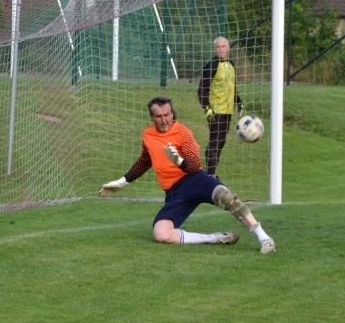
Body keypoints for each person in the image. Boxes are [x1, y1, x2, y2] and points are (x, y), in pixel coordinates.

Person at [99, 96, 275, 254]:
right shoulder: (148, 135)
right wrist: (122, 182)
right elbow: (145, 160)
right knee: (161, 233)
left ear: (172, 113)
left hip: (195, 180)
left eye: (167, 114)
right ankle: (214, 238)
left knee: (226, 196)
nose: (164, 120)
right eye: (159, 116)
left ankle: (264, 238)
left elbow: (195, 165)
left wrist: (179, 161)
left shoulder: (182, 132)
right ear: (152, 118)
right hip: (174, 192)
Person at [198, 36, 243, 178]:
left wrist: (238, 101)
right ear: (215, 49)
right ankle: (210, 174)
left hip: (227, 110)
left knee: (221, 140)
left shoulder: (231, 64)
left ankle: (211, 171)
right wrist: (207, 108)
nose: (221, 49)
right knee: (215, 140)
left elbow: (232, 86)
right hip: (215, 110)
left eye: (223, 46)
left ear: (228, 48)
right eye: (218, 47)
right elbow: (202, 89)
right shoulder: (211, 65)